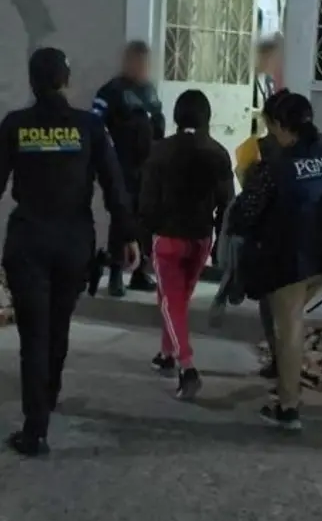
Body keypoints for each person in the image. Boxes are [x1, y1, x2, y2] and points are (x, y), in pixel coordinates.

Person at [0, 47, 139, 457]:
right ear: (66, 80)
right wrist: (128, 235)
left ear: (32, 82)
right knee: (58, 326)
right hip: (74, 241)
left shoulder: (14, 125)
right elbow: (114, 184)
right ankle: (50, 394)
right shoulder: (88, 127)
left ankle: (35, 428)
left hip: (28, 241)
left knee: (33, 335)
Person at [228, 93, 322, 430]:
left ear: (280, 125)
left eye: (270, 125)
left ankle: (288, 408)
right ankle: (286, 390)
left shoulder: (275, 166)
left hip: (290, 259)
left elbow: (244, 214)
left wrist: (246, 181)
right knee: (293, 322)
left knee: (289, 329)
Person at [140, 89, 234, 400]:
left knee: (171, 300)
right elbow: (227, 203)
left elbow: (148, 201)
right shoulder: (219, 153)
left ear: (177, 116)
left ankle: (187, 366)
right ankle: (167, 353)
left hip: (168, 238)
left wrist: (144, 239)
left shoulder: (160, 151)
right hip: (200, 240)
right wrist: (221, 240)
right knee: (176, 299)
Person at [224, 88, 288, 379]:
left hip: (272, 242)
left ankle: (283, 368)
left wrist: (235, 227)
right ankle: (285, 365)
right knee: (289, 312)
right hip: (305, 246)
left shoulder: (262, 150)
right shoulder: (321, 149)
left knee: (273, 310)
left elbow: (250, 200)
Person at [91, 40, 164, 296]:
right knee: (122, 220)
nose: (142, 67)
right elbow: (95, 123)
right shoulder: (111, 91)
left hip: (148, 167)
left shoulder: (150, 92)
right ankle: (115, 273)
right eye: (138, 62)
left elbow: (158, 121)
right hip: (121, 166)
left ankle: (140, 271)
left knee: (146, 220)